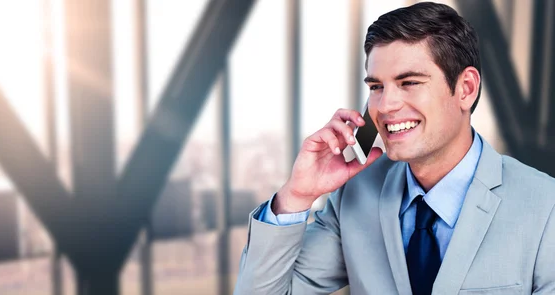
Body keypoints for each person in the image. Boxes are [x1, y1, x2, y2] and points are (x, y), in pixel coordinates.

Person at [233, 2, 555, 295]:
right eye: (376, 87)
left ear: (466, 89)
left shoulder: (545, 208)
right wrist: (297, 195)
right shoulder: (355, 198)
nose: (385, 105)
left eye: (409, 82)